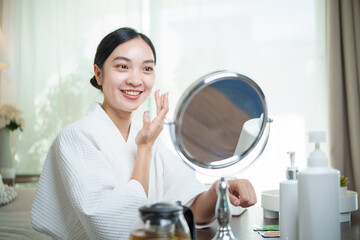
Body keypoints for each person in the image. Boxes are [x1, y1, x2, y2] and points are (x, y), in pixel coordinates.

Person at [31, 27, 257, 239]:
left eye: (147, 68)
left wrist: (218, 189)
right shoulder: (75, 138)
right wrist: (145, 149)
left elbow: (194, 211)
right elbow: (113, 229)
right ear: (99, 75)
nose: (136, 80)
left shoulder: (145, 137)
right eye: (122, 66)